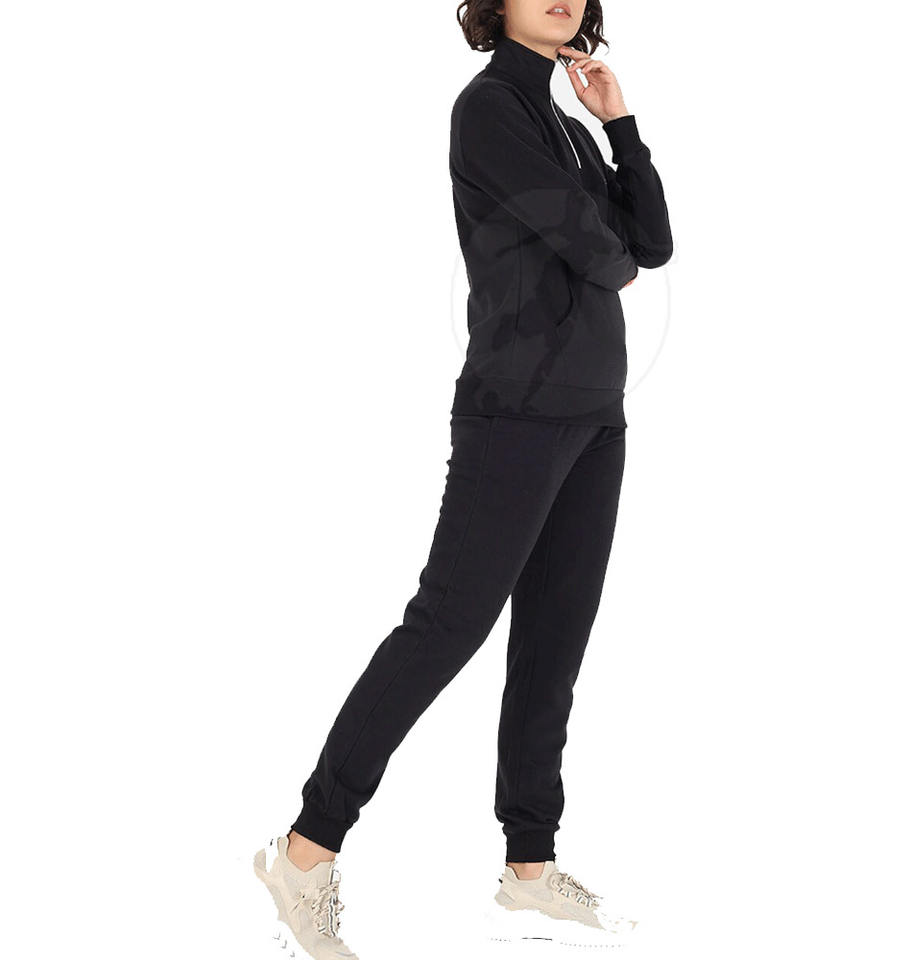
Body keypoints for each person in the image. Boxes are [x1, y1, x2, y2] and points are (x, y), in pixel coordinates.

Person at [253, 1, 672, 956]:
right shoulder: (487, 110)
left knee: (554, 643)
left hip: (595, 415)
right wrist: (609, 248)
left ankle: (530, 867)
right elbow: (601, 255)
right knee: (446, 626)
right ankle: (305, 851)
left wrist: (619, 125)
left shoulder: (570, 124)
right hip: (513, 411)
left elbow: (650, 245)